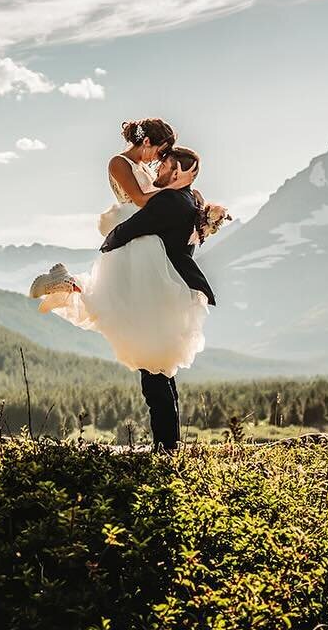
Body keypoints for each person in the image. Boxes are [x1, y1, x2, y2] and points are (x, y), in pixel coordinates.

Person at [31, 134, 225, 452]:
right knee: (162, 369)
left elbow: (131, 228)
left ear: (178, 173)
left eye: (164, 165)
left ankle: (165, 446)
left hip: (158, 290)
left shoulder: (168, 200)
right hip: (173, 291)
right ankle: (169, 444)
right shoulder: (192, 202)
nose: (157, 169)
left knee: (153, 370)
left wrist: (108, 242)